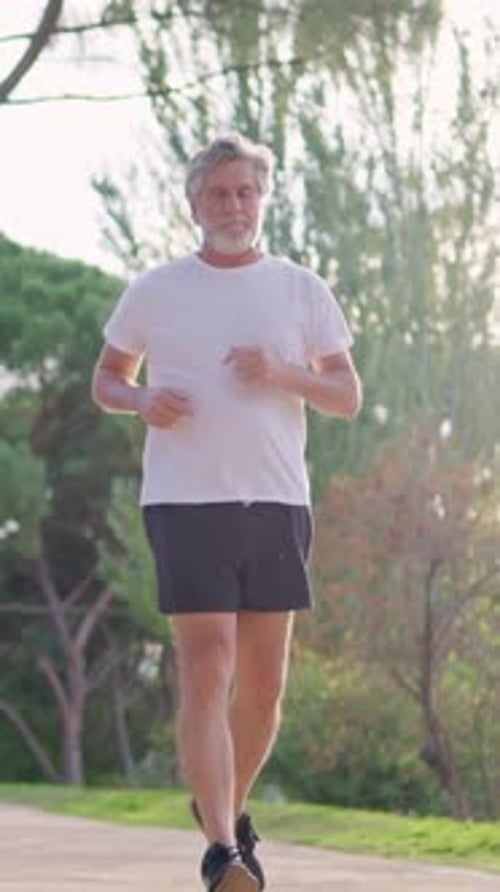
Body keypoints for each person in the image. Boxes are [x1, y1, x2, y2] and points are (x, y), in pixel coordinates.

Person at [91, 132, 362, 892]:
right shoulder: (155, 290)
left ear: (261, 198)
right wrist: (141, 399)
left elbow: (346, 394)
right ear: (194, 205)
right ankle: (220, 851)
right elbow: (107, 378)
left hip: (276, 499)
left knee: (265, 687)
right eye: (219, 194)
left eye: (245, 191)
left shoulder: (301, 289)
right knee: (207, 664)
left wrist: (281, 372)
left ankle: (224, 811)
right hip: (184, 499)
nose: (234, 205)